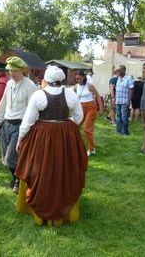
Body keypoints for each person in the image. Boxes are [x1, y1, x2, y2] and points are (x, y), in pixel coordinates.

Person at [15, 66, 87, 226]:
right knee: (64, 169)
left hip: (43, 137)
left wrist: (20, 140)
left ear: (46, 80)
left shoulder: (38, 95)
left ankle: (41, 209)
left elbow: (27, 122)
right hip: (65, 137)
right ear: (61, 79)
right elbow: (79, 116)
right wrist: (67, 128)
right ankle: (65, 208)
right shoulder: (71, 94)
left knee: (41, 169)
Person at [0, 57, 37, 193]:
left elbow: (33, 109)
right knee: (6, 158)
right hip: (7, 124)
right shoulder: (9, 84)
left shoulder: (30, 86)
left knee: (11, 157)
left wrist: (28, 127)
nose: (11, 73)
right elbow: (4, 104)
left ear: (22, 70)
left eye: (15, 70)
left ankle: (18, 180)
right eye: (10, 70)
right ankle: (15, 178)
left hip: (20, 125)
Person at [74, 71, 104, 156]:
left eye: (79, 79)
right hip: (80, 108)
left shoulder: (89, 86)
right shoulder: (76, 87)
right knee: (75, 127)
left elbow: (98, 95)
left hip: (91, 108)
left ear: (83, 77)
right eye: (76, 79)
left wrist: (101, 108)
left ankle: (91, 149)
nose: (78, 80)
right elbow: (74, 98)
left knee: (87, 128)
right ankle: (77, 145)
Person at [115, 65, 134, 135]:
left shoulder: (128, 78)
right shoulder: (118, 79)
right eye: (118, 70)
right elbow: (117, 90)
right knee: (118, 117)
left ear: (124, 70)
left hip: (125, 101)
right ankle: (118, 131)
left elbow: (131, 90)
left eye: (119, 70)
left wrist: (128, 101)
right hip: (118, 101)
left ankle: (125, 132)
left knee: (124, 117)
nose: (118, 71)